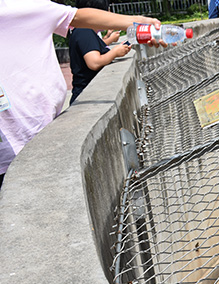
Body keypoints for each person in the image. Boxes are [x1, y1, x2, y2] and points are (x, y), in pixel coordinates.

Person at [0, 0, 167, 189]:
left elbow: (76, 16)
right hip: (19, 148)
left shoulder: (26, 7)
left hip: (40, 135)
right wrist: (135, 27)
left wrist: (140, 23)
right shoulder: (78, 29)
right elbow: (89, 48)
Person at [69, 0, 133, 104]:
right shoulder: (84, 31)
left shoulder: (85, 31)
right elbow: (94, 63)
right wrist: (115, 52)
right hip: (87, 98)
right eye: (106, 12)